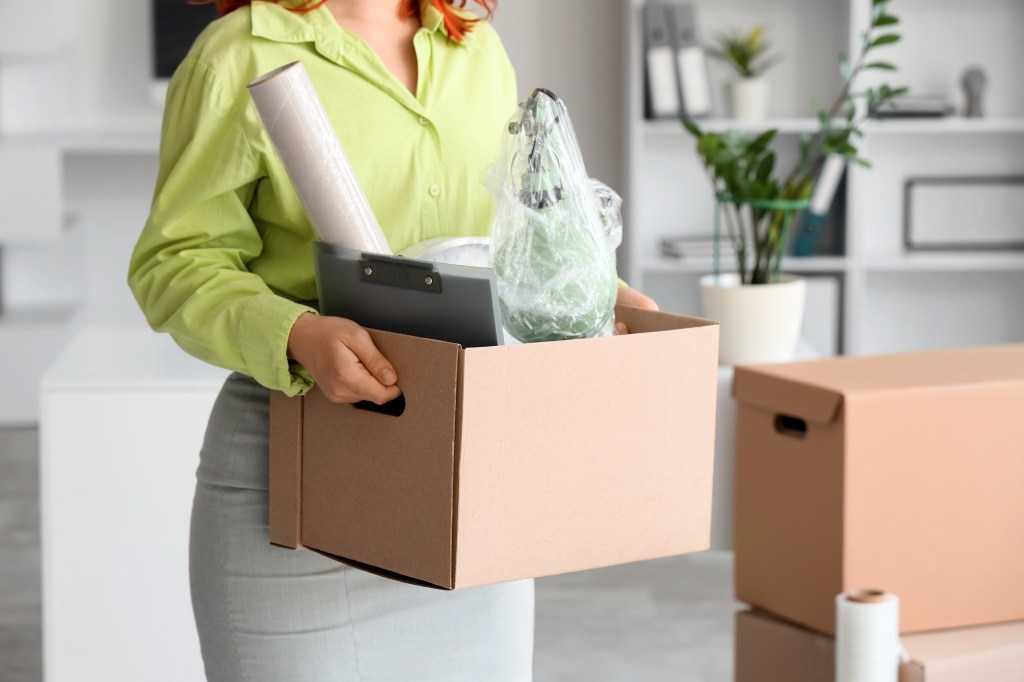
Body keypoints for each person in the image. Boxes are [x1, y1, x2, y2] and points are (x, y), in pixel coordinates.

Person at [128, 0, 657, 680]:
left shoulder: (477, 51)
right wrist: (299, 333)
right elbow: (172, 265)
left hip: (463, 484)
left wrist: (599, 292)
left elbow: (509, 236)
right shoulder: (235, 54)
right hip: (293, 491)